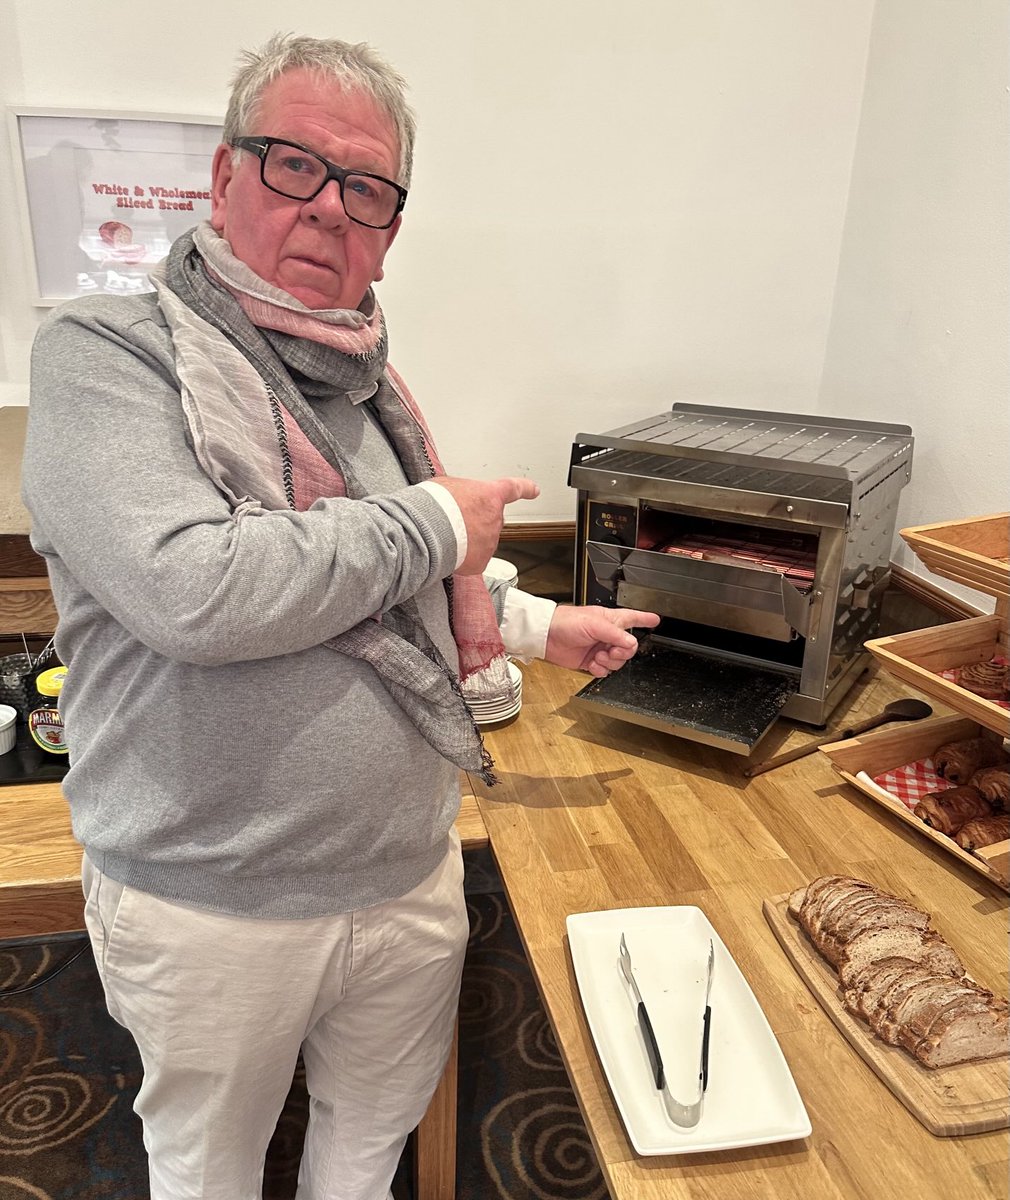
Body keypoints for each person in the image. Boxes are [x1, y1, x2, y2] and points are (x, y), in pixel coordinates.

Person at [21, 33, 659, 1200]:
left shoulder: (363, 380)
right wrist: (433, 522)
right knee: (208, 1172)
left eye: (365, 187)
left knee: (364, 1152)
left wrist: (533, 625)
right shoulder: (107, 358)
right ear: (222, 179)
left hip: (404, 869)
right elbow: (196, 588)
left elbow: (378, 574)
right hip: (208, 898)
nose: (328, 209)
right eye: (292, 165)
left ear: (392, 227)